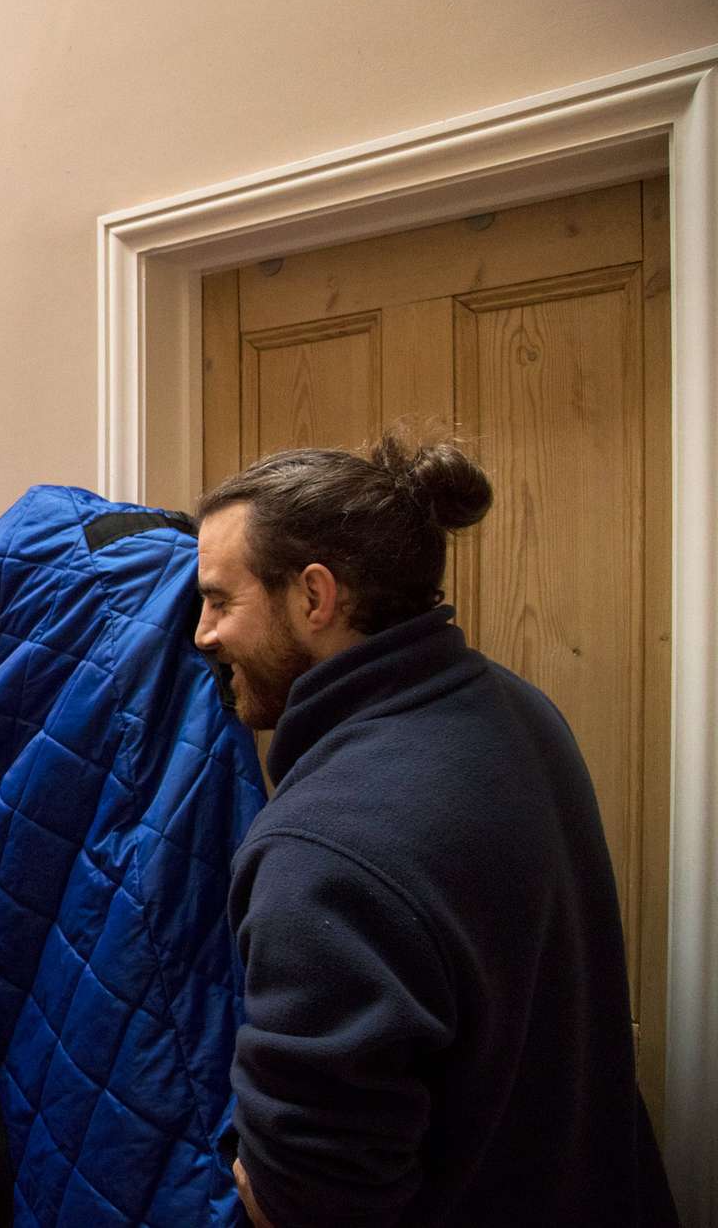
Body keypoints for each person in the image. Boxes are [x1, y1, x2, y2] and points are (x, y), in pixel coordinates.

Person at [191, 430, 677, 1226]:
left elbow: (308, 1198)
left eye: (220, 600)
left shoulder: (323, 849)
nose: (203, 635)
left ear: (315, 597)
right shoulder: (519, 708)